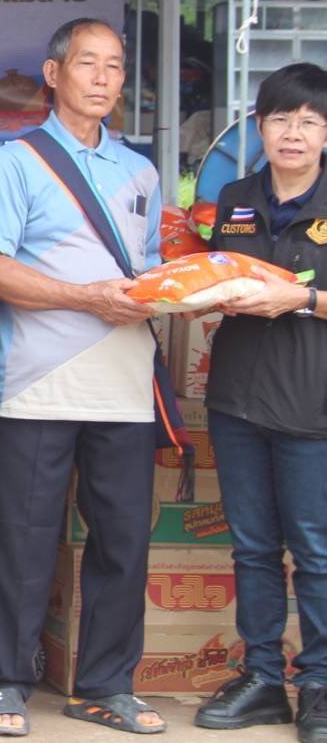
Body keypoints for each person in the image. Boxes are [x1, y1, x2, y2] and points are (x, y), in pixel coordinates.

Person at [0, 18, 172, 737]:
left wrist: (172, 290)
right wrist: (86, 297)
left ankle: (106, 686)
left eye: (113, 66)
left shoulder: (140, 171)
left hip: (125, 382)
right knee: (19, 538)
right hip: (35, 382)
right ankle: (2, 682)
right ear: (53, 74)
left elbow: (150, 268)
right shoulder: (15, 162)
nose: (102, 77)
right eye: (87, 63)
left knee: (122, 540)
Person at [194, 62, 327, 743]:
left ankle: (320, 685)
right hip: (237, 397)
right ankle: (262, 679)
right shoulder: (235, 197)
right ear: (259, 126)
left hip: (312, 403)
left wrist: (302, 298)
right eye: (279, 118)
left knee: (315, 551)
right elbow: (217, 274)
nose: (292, 133)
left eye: (308, 120)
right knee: (251, 547)